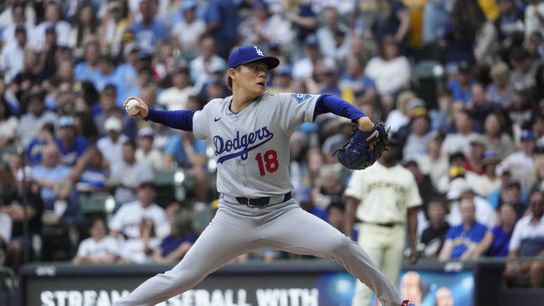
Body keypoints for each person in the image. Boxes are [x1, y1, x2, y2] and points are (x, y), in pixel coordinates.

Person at [114, 45, 413, 306]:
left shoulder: (278, 105)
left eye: (265, 69)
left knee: (342, 245)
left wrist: (358, 116)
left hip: (280, 212)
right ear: (233, 73)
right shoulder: (214, 111)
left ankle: (395, 302)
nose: (262, 74)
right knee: (181, 276)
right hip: (232, 216)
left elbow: (323, 101)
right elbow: (187, 119)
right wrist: (149, 113)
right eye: (254, 68)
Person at [344, 134, 422, 306]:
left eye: (393, 145)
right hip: (370, 229)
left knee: (391, 286)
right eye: (386, 145)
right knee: (364, 283)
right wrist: (348, 235)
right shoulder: (365, 169)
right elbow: (351, 203)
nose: (389, 149)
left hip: (396, 231)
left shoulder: (406, 175)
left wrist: (414, 245)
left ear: (398, 148)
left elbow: (412, 211)